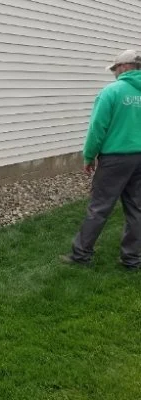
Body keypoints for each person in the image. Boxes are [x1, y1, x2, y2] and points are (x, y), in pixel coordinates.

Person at [62, 49, 141, 269]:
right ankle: (132, 259)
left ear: (124, 67)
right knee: (136, 209)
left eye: (116, 69)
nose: (115, 73)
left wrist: (89, 156)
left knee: (99, 207)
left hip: (115, 159)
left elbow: (97, 129)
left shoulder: (112, 92)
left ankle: (80, 255)